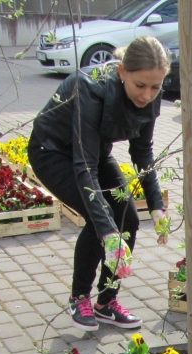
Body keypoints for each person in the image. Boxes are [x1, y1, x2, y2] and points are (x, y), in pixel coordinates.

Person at [27, 37, 170, 332]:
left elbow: (142, 152)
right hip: (52, 151)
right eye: (140, 85)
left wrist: (156, 205)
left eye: (155, 87)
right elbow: (84, 166)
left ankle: (106, 303)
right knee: (100, 220)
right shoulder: (89, 90)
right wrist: (107, 232)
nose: (147, 94)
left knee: (128, 218)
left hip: (94, 153)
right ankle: (79, 297)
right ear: (122, 72)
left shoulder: (150, 95)